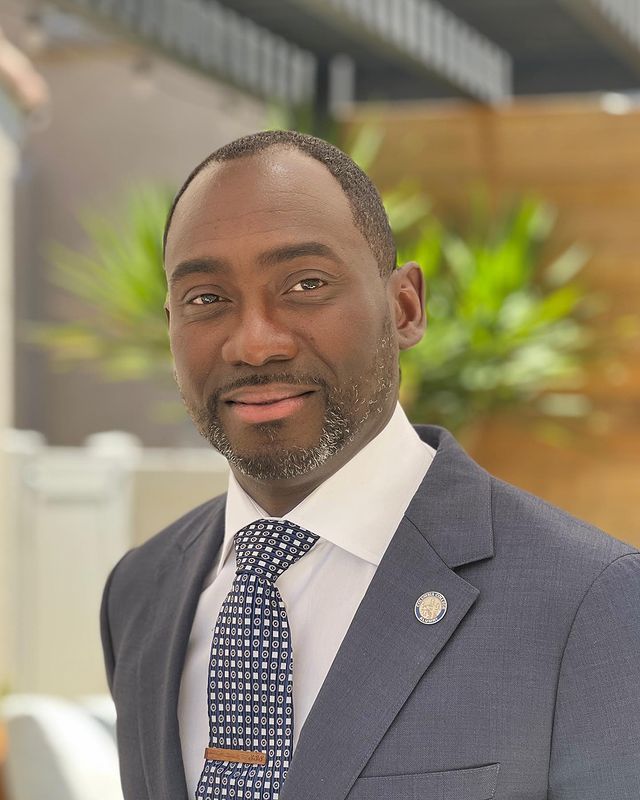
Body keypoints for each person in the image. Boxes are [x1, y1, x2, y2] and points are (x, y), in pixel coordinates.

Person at [100, 130, 640, 800]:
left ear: (405, 306)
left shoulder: (590, 602)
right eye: (206, 299)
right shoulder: (140, 592)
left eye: (306, 284)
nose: (255, 342)